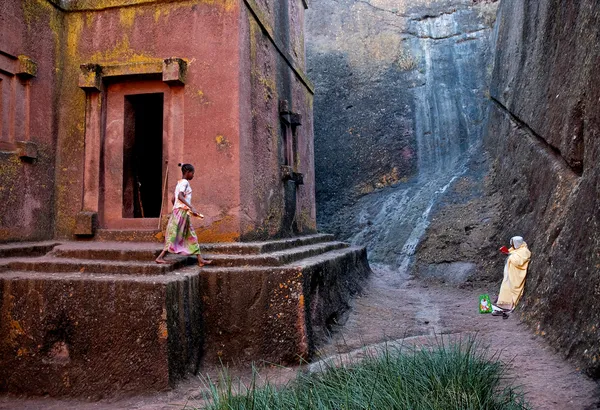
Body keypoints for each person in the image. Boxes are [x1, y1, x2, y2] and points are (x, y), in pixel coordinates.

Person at [155, 163, 212, 267]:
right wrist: (190, 207)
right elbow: (180, 197)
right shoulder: (185, 182)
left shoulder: (179, 183)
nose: (193, 176)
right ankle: (160, 257)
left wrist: (177, 208)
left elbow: (174, 199)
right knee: (174, 235)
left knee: (191, 235)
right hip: (181, 212)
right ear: (188, 172)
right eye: (192, 173)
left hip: (180, 212)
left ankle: (200, 260)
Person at [492, 236, 531, 315]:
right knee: (505, 287)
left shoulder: (524, 251)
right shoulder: (516, 249)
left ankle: (506, 307)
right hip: (509, 273)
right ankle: (501, 304)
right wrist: (507, 253)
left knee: (510, 289)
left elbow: (518, 262)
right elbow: (511, 252)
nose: (512, 246)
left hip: (515, 274)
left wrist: (509, 255)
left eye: (513, 244)